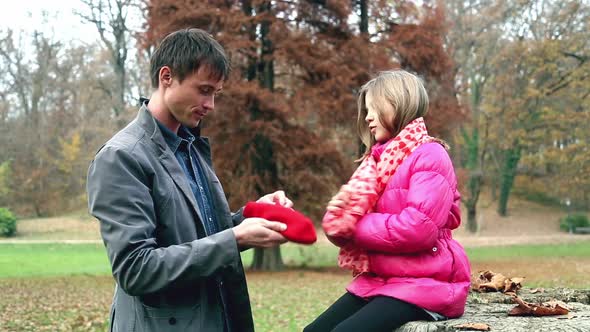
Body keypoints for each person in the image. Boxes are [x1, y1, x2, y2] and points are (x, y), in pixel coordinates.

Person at [87, 28, 292, 332]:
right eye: (204, 90)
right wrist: (234, 239)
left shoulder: (190, 146)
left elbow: (201, 236)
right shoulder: (121, 157)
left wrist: (249, 217)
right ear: (166, 77)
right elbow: (135, 269)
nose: (210, 105)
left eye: (215, 94)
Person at [304, 70, 471, 332]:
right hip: (384, 281)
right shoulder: (375, 164)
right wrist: (338, 220)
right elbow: (343, 227)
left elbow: (419, 229)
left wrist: (354, 224)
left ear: (398, 102)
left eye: (374, 108)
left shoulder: (430, 155)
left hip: (427, 283)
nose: (368, 117)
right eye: (366, 110)